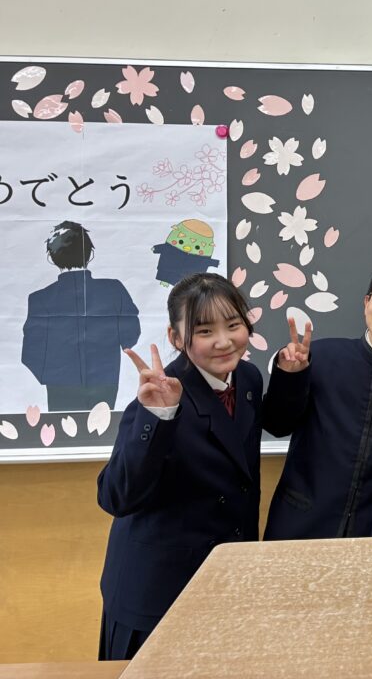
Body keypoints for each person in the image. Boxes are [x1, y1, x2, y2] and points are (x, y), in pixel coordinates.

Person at [96, 273, 262, 660]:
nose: (224, 341)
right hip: (157, 588)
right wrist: (159, 417)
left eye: (233, 325)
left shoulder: (249, 379)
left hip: (223, 578)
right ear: (175, 337)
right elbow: (115, 497)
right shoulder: (162, 394)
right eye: (204, 331)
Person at [262, 262, 372, 540]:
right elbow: (277, 425)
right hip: (301, 521)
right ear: (366, 303)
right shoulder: (320, 356)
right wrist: (290, 377)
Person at [22, 220, 141, 411]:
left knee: (63, 427)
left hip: (59, 384)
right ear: (90, 254)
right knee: (103, 426)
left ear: (51, 257)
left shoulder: (40, 298)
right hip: (106, 378)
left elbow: (30, 352)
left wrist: (53, 375)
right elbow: (130, 335)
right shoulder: (113, 289)